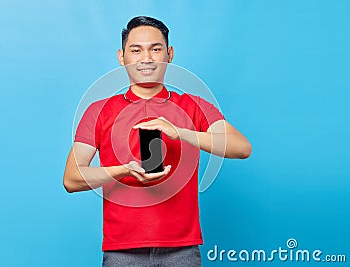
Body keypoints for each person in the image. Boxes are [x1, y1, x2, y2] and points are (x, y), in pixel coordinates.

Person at [63, 16, 252, 266]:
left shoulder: (193, 106)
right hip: (122, 251)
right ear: (122, 57)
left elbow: (242, 148)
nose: (146, 58)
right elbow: (72, 179)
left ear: (169, 53)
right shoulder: (99, 111)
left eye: (155, 49)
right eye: (136, 50)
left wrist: (181, 132)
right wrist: (124, 170)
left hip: (182, 249)